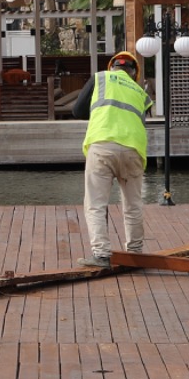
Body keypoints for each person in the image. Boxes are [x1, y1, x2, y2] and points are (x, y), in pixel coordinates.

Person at [69, 51, 151, 268]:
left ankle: (101, 255)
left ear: (112, 66)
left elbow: (77, 111)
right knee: (133, 205)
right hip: (133, 149)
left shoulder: (100, 78)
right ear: (134, 74)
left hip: (103, 144)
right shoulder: (141, 93)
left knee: (96, 203)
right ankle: (135, 253)